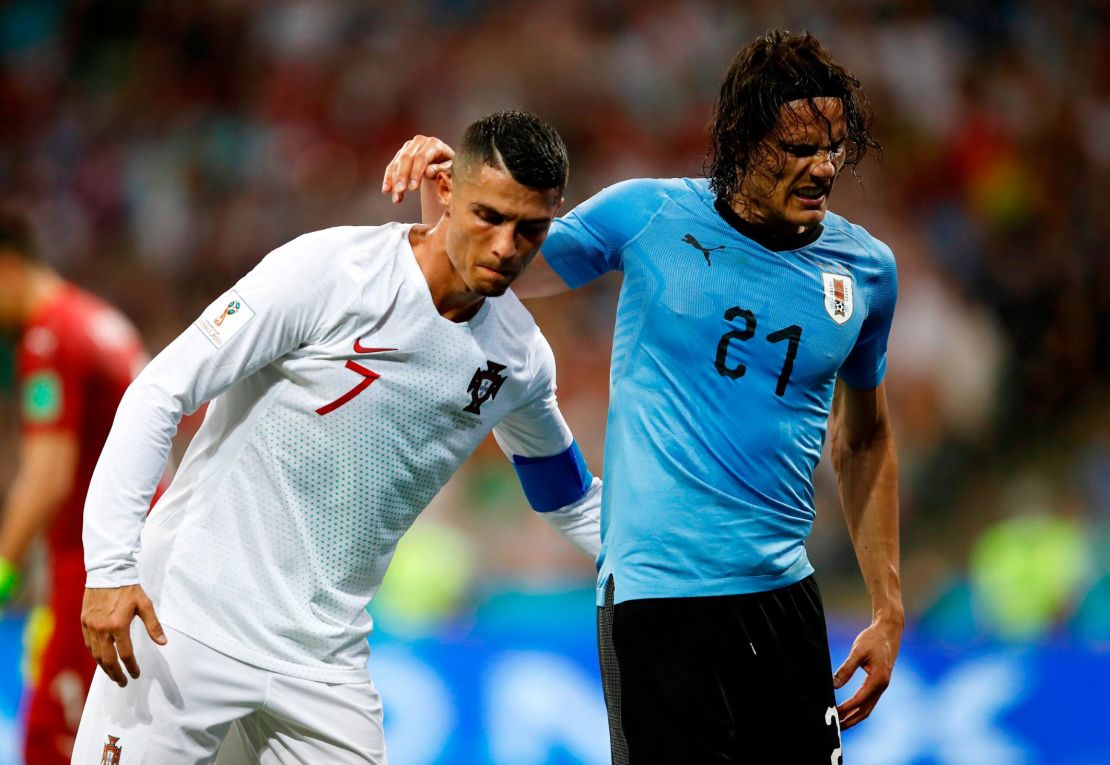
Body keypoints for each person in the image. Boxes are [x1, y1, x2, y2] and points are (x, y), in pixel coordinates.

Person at [384, 30, 902, 764]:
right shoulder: (649, 218)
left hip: (786, 596)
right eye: (798, 149)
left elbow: (866, 439)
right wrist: (462, 189)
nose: (822, 168)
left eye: (835, 148)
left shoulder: (866, 271)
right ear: (745, 141)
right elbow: (502, 262)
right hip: (660, 601)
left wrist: (887, 605)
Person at [71, 110, 601, 763]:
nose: (506, 246)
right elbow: (161, 390)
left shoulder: (518, 359)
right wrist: (110, 567)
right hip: (186, 619)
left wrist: (691, 567)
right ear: (446, 193)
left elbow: (569, 497)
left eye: (531, 228)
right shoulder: (330, 271)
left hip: (322, 661)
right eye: (488, 216)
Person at [0, 211, 147, 765]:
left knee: (50, 743)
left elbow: (47, 477)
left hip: (92, 570)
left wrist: (3, 569)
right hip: (137, 558)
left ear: (8, 267)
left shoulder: (49, 336)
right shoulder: (99, 320)